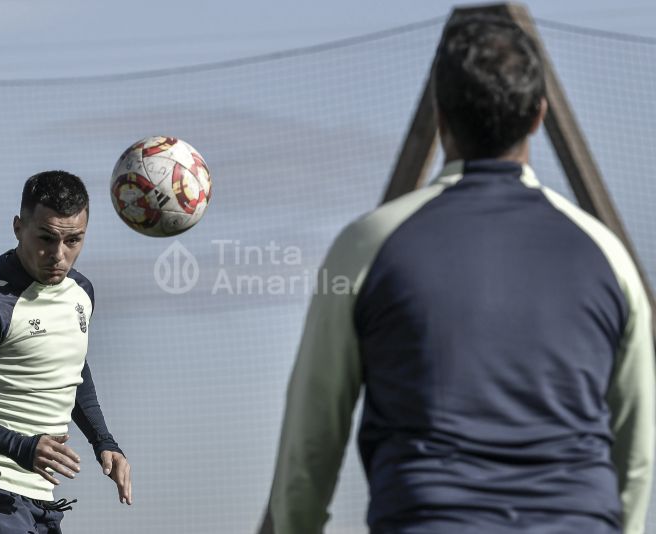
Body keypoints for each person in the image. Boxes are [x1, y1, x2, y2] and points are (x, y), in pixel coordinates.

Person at [261, 15, 654, 534]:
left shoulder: (366, 245)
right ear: (538, 114)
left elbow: (311, 440)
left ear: (440, 114)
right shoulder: (608, 256)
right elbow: (636, 455)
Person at [0, 171, 132, 533]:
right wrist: (21, 447)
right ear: (19, 228)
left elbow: (71, 368)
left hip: (39, 500)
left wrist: (103, 440)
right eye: (46, 238)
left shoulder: (80, 292)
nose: (59, 255)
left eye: (73, 240)